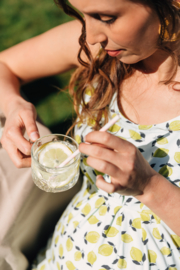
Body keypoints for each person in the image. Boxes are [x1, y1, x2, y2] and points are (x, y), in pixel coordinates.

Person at [0, 0, 180, 269]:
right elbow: (6, 65)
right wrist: (13, 103)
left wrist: (150, 186)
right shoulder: (100, 47)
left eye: (106, 18)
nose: (91, 36)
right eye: (82, 15)